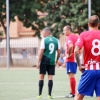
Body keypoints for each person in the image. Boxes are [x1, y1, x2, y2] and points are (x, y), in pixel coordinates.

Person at [74, 15, 100, 100]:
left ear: (89, 24)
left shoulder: (84, 35)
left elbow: (75, 51)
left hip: (90, 69)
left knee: (79, 96)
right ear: (98, 24)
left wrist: (79, 65)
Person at [36, 28, 60, 99]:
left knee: (41, 77)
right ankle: (49, 95)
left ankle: (39, 95)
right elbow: (58, 52)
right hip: (52, 61)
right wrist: (56, 61)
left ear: (47, 33)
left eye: (43, 33)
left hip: (44, 60)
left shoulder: (44, 40)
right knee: (50, 78)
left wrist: (38, 62)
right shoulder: (57, 40)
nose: (42, 35)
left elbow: (41, 52)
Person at [63, 25, 78, 98]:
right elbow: (81, 47)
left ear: (68, 30)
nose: (63, 32)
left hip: (71, 59)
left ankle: (73, 93)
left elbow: (71, 46)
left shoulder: (69, 37)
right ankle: (72, 92)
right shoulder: (76, 36)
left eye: (64, 30)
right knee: (71, 75)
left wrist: (69, 54)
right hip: (75, 59)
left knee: (70, 75)